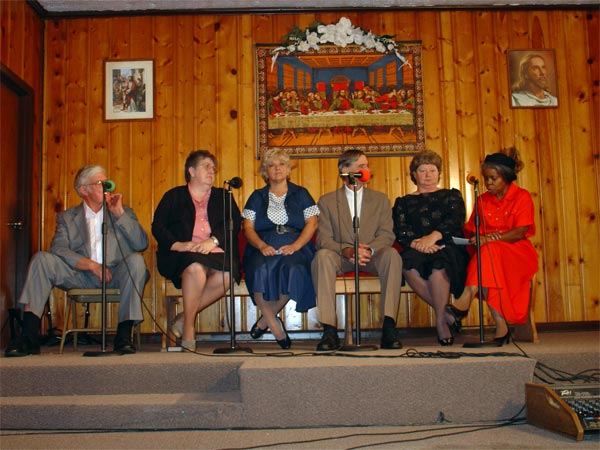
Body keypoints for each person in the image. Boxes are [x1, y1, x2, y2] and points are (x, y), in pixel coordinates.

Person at [5, 165, 149, 357]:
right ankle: (28, 337)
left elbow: (141, 243)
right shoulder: (67, 218)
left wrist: (119, 214)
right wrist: (90, 265)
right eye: (101, 183)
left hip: (115, 274)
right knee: (41, 260)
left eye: (107, 183)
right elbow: (58, 249)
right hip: (79, 275)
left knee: (136, 261)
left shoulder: (123, 213)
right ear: (84, 190)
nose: (107, 187)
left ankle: (123, 337)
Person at [311, 149, 404, 351]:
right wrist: (346, 250)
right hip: (341, 256)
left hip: (372, 256)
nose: (367, 169)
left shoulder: (380, 199)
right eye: (361, 166)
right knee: (321, 257)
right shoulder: (327, 201)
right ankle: (329, 330)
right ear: (345, 170)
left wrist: (368, 250)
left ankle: (389, 327)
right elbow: (323, 239)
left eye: (367, 166)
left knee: (392, 255)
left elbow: (387, 234)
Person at [445, 148, 538, 345]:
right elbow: (472, 229)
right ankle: (501, 328)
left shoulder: (522, 196)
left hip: (517, 252)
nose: (488, 182)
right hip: (490, 255)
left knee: (488, 252)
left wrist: (493, 239)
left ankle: (467, 296)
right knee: (487, 256)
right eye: (486, 178)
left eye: (493, 178)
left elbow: (520, 231)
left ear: (506, 177)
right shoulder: (482, 200)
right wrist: (478, 238)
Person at [152, 150, 241, 352]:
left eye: (214, 168)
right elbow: (158, 226)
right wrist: (178, 244)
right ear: (191, 171)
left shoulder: (223, 196)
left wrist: (213, 240)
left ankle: (184, 319)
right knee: (195, 268)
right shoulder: (173, 196)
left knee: (227, 275)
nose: (212, 171)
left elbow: (234, 222)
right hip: (182, 254)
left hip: (215, 251)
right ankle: (189, 329)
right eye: (206, 167)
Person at [242, 149, 319, 349]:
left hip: (295, 244)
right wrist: (261, 245)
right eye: (271, 165)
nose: (277, 168)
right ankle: (275, 326)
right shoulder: (256, 196)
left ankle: (264, 321)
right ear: (265, 172)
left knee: (293, 269)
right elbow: (248, 228)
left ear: (287, 169)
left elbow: (312, 223)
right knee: (258, 269)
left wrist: (296, 246)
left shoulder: (301, 193)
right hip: (263, 244)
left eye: (281, 164)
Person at [392, 151, 469, 346]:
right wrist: (419, 244)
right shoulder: (403, 202)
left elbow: (455, 222)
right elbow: (400, 230)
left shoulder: (451, 195)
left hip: (447, 245)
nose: (428, 175)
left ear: (439, 173)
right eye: (422, 171)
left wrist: (433, 237)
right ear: (414, 174)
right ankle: (447, 316)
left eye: (432, 170)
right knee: (406, 264)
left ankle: (441, 323)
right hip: (416, 247)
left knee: (438, 264)